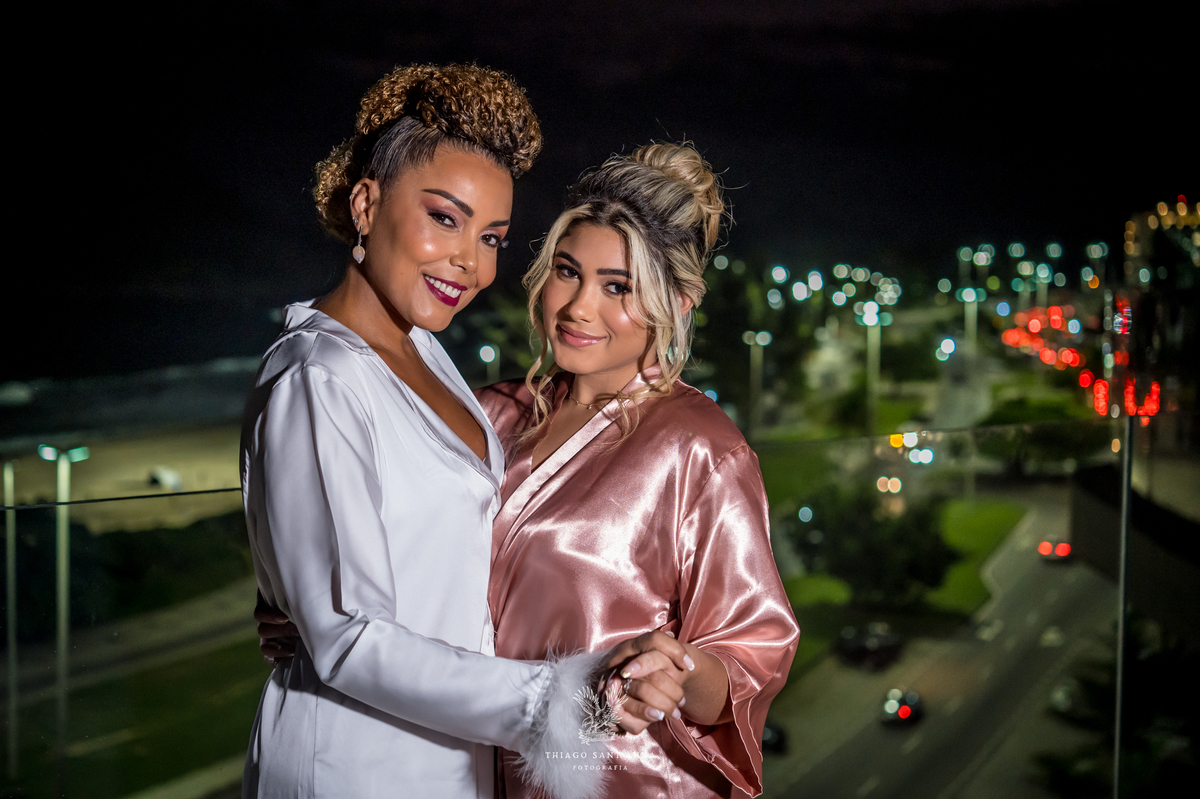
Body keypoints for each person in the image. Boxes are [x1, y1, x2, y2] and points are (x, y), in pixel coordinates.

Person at [240, 64, 687, 799]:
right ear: (366, 204)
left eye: (492, 238)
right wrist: (559, 697)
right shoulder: (320, 377)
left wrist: (302, 601)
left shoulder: (425, 352)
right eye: (444, 219)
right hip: (355, 764)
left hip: (451, 757)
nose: (471, 263)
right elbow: (350, 637)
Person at [478, 143, 800, 797]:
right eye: (568, 271)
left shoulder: (701, 449)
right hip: (466, 763)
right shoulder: (489, 414)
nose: (578, 307)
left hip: (617, 777)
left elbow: (753, 654)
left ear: (677, 302)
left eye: (617, 286)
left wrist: (680, 670)